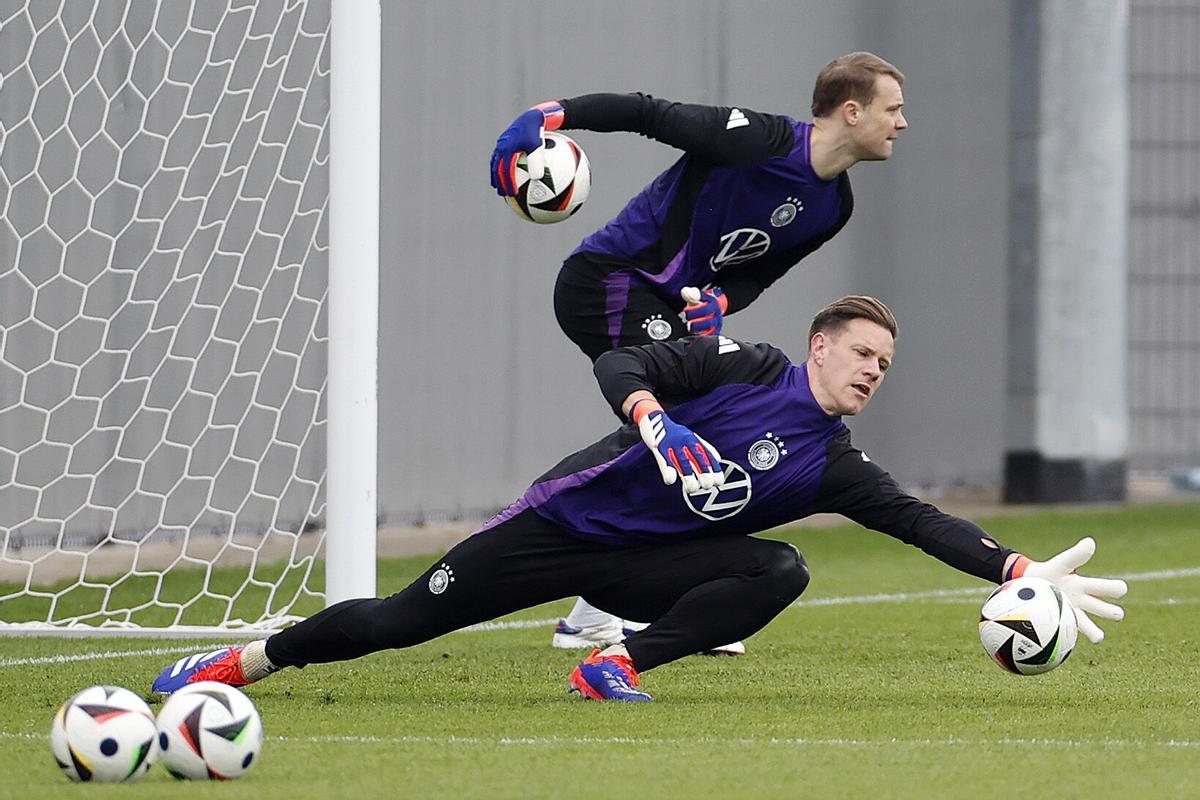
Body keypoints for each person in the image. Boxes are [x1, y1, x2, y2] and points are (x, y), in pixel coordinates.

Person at [152, 296, 1127, 702]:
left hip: (640, 570)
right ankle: (246, 659)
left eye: (887, 363)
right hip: (560, 523)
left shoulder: (836, 462)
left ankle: (614, 662)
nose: (875, 370)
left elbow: (921, 520)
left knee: (778, 566)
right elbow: (620, 355)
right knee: (401, 618)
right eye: (864, 352)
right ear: (822, 347)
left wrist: (1015, 567)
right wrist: (658, 418)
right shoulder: (749, 365)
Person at [489, 51, 910, 653]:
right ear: (851, 111)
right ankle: (603, 589)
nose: (901, 122)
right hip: (607, 279)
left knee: (696, 416)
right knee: (681, 412)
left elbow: (757, 273)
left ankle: (601, 599)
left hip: (662, 308)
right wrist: (549, 115)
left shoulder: (834, 207)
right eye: (892, 109)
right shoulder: (760, 140)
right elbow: (648, 113)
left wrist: (720, 304)